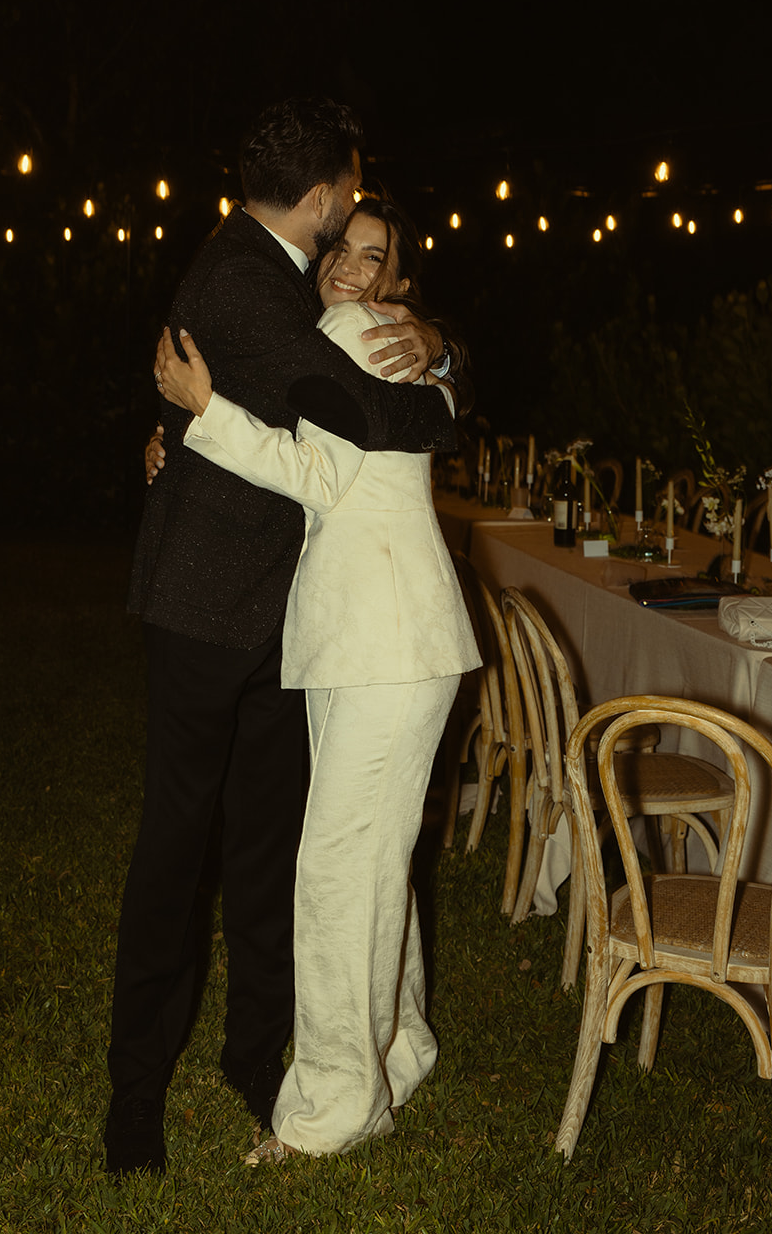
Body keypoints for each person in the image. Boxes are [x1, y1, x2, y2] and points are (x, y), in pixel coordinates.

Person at [106, 99, 458, 1177]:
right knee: (179, 849)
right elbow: (364, 412)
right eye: (344, 204)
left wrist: (441, 342)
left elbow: (350, 367)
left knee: (269, 849)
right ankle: (134, 1098)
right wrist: (446, 391)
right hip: (209, 609)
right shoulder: (245, 281)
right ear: (315, 201)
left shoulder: (288, 282)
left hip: (291, 617)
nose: (350, 222)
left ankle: (256, 1052)